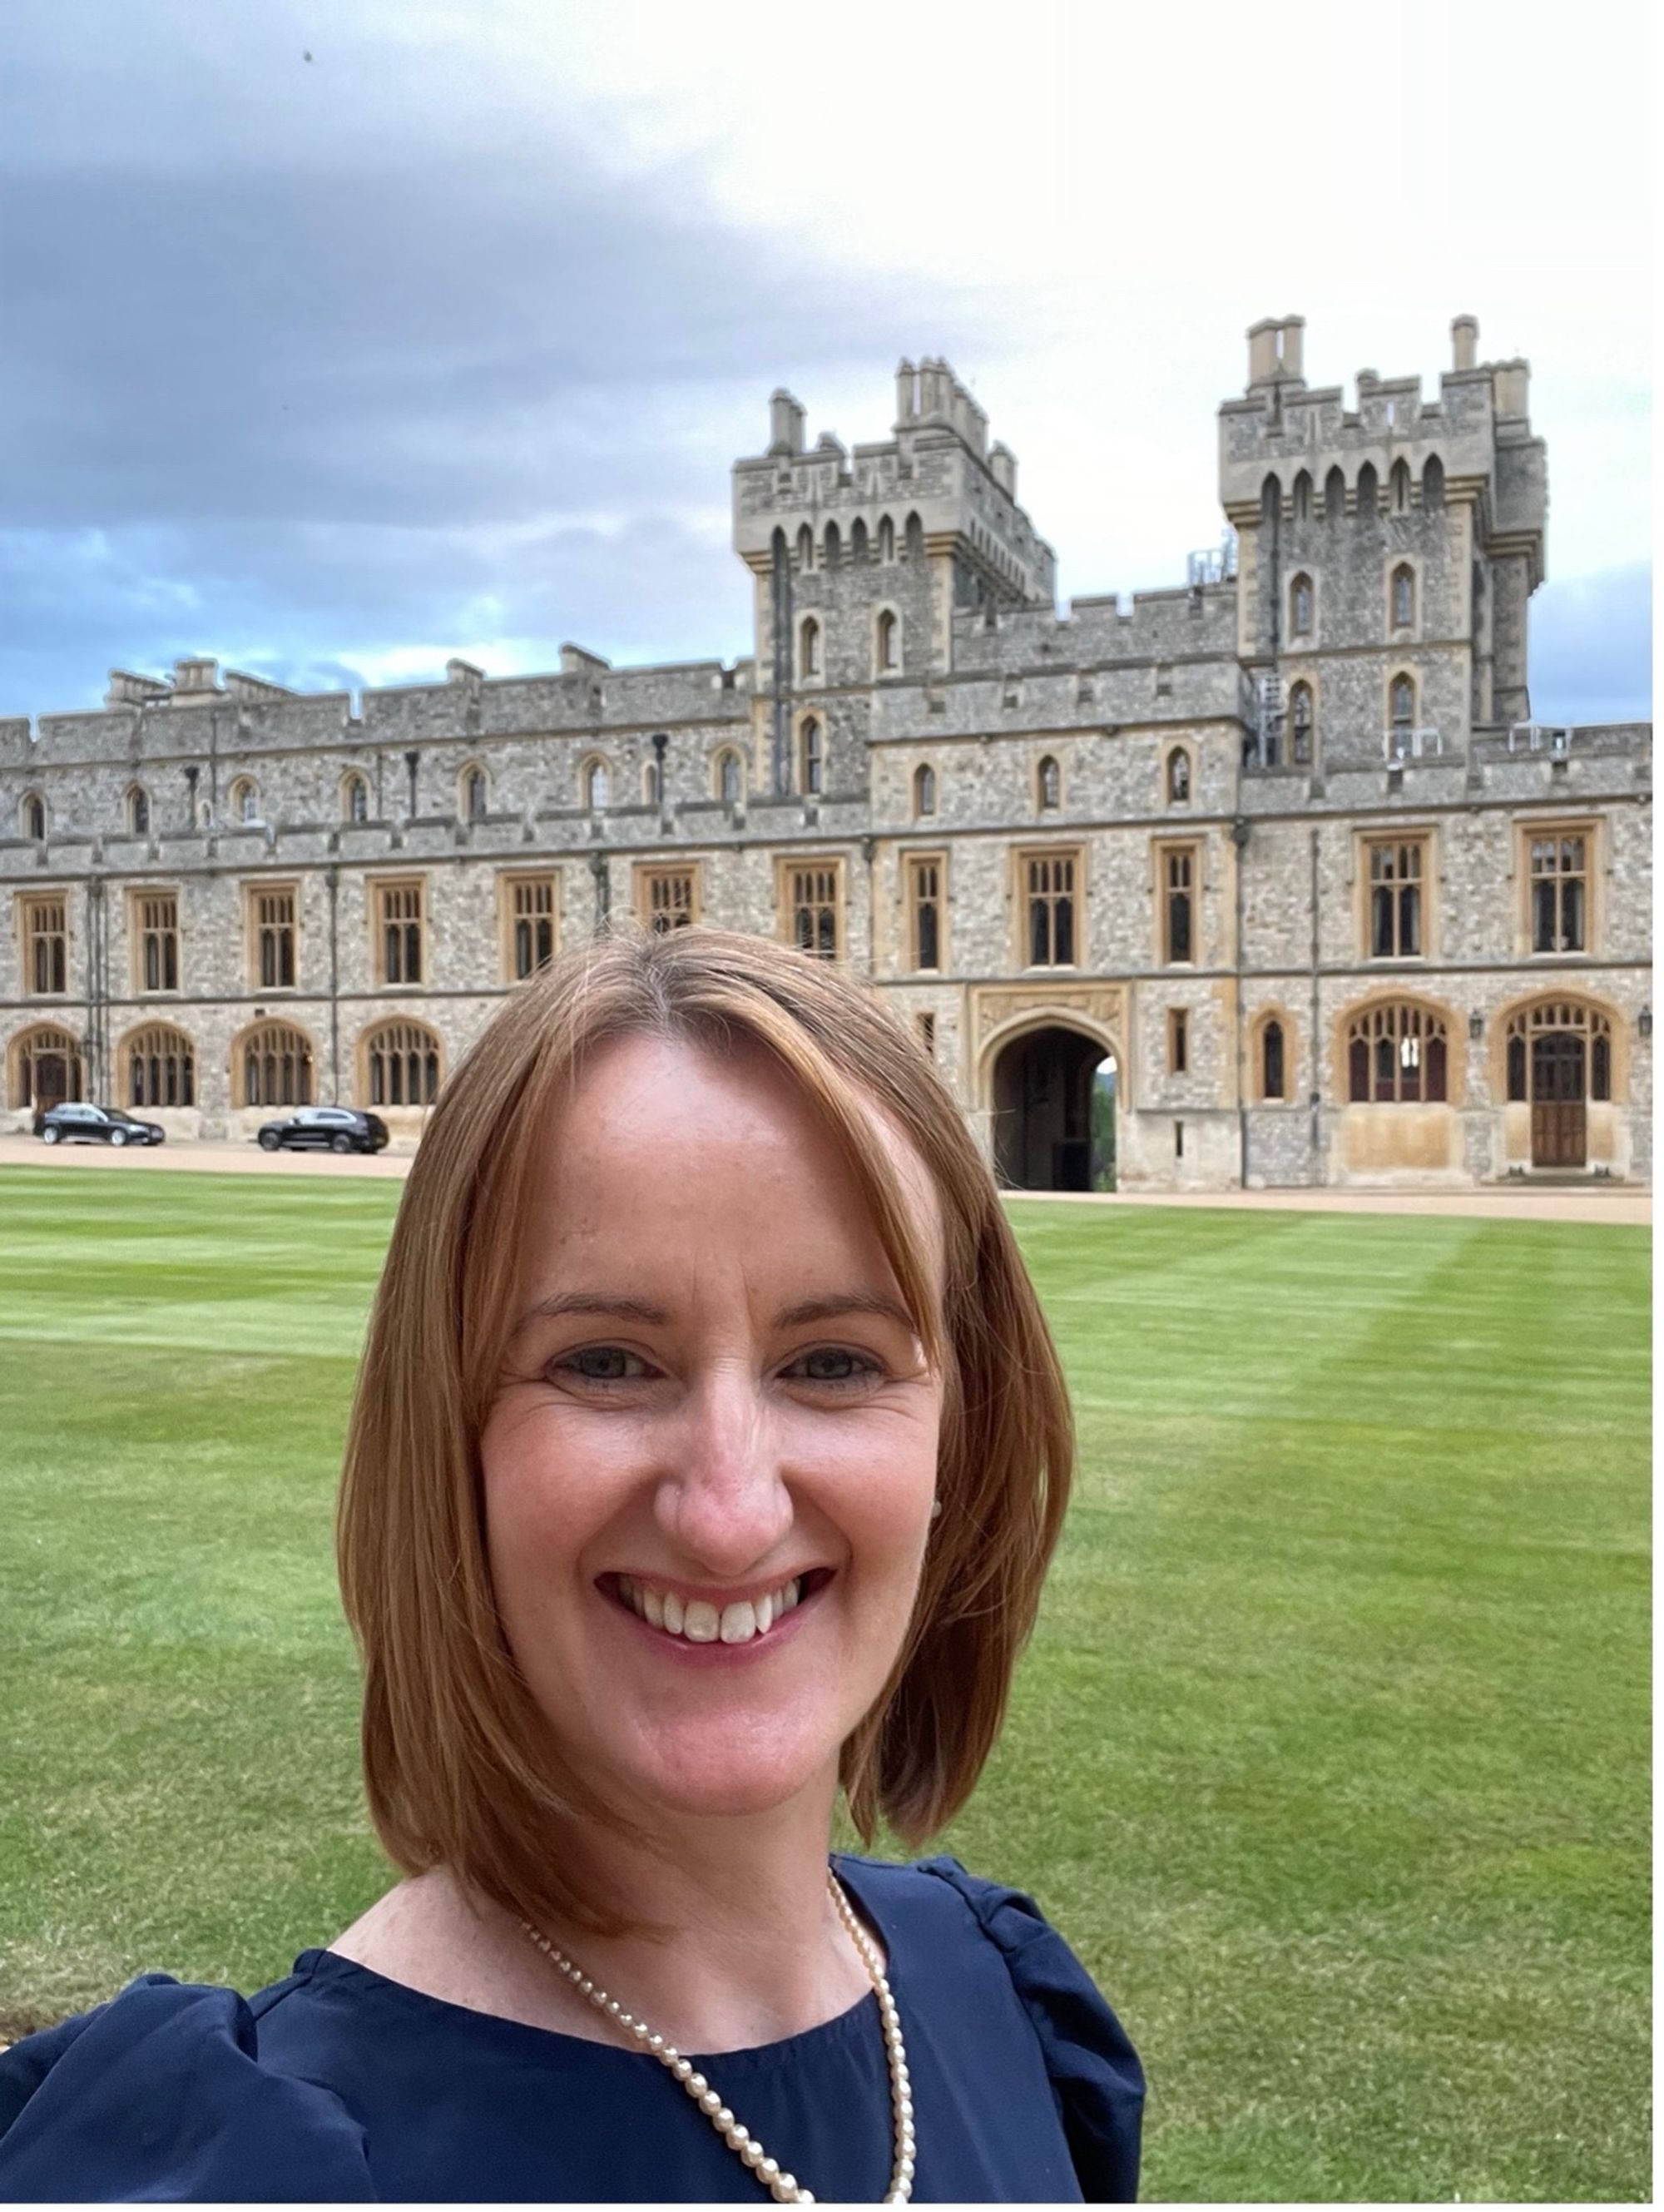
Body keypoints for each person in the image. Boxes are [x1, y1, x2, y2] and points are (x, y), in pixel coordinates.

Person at [0, 928, 1143, 2203]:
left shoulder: (1001, 2000)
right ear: (452, 1438)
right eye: (604, 1361)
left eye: (834, 1362)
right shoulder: (255, 2169)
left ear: (960, 1435)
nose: (727, 1512)